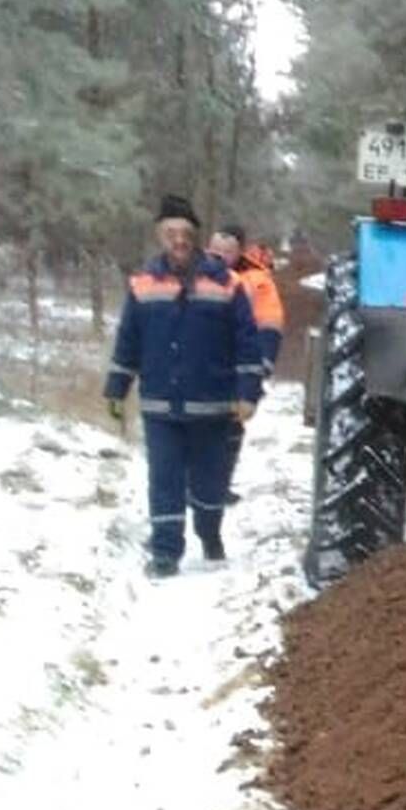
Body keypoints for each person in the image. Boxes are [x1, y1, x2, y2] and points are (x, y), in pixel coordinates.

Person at [104, 198, 262, 577]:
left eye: (185, 234)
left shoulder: (226, 283)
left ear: (196, 237)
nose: (178, 240)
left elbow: (247, 342)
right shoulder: (143, 284)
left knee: (209, 484)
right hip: (160, 405)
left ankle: (209, 533)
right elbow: (129, 339)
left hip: (213, 406)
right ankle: (166, 552)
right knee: (164, 480)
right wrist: (116, 387)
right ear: (160, 236)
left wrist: (247, 393)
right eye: (170, 233)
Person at [210, 221, 284, 499]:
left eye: (225, 251)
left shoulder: (258, 283)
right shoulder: (192, 273)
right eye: (214, 249)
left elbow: (269, 325)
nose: (217, 256)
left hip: (235, 366)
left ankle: (218, 485)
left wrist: (259, 369)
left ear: (239, 252)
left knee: (229, 426)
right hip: (198, 363)